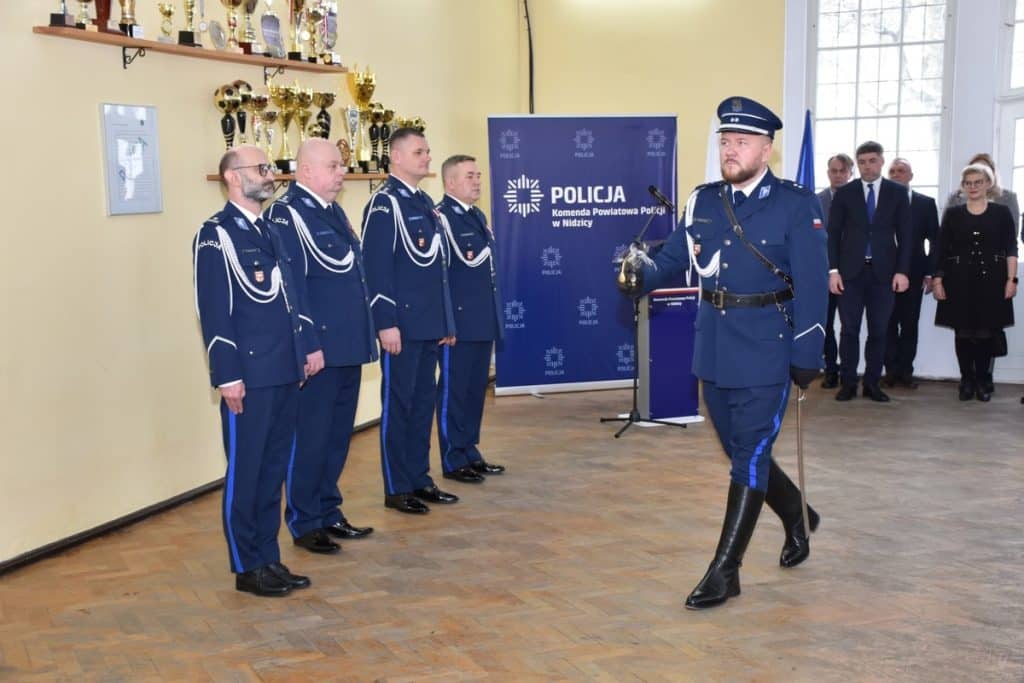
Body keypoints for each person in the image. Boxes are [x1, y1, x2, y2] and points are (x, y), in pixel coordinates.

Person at [619, 96, 828, 610]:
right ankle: (800, 515)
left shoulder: (795, 204)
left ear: (767, 149)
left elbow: (814, 283)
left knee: (751, 455)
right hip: (712, 345)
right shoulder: (703, 200)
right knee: (743, 453)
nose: (730, 150)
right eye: (725, 141)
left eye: (742, 141)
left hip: (768, 346)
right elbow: (672, 258)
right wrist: (639, 275)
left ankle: (724, 570)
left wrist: (809, 350)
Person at [192, 145, 324, 597]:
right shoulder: (217, 235)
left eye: (270, 168)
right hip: (248, 374)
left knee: (272, 470)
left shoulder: (272, 231)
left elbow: (294, 298)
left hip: (284, 369)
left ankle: (269, 556)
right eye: (261, 169)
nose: (270, 176)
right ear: (232, 177)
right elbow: (213, 310)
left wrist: (306, 347)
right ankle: (248, 566)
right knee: (246, 471)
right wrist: (227, 374)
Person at [266, 139, 378, 555]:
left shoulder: (331, 212)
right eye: (332, 165)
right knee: (310, 437)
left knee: (335, 437)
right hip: (320, 349)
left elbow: (354, 279)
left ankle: (329, 510)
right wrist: (308, 344)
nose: (341, 172)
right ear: (305, 170)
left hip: (347, 343)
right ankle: (304, 520)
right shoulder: (287, 214)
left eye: (341, 165)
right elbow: (292, 287)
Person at [361, 128, 460, 514]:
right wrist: (385, 322)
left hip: (428, 326)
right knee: (399, 405)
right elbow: (377, 267)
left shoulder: (422, 203)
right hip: (401, 327)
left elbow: (437, 270)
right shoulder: (385, 204)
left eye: (429, 151)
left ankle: (420, 477)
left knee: (422, 405)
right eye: (419, 152)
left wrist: (445, 320)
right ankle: (397, 486)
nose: (427, 157)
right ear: (396, 157)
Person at [434, 154, 506, 484]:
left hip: (481, 319)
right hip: (459, 323)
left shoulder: (475, 215)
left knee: (475, 389)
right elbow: (442, 277)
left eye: (478, 175)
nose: (477, 181)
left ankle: (469, 450)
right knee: (454, 391)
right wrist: (447, 321)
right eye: (469, 176)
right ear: (450, 183)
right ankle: (452, 457)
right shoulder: (441, 217)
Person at [827, 141, 911, 402]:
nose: (867, 166)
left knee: (879, 331)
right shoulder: (845, 193)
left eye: (872, 161)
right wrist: (833, 271)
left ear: (881, 161)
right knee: (849, 331)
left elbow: (906, 236)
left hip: (884, 275)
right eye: (862, 162)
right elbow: (833, 236)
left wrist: (902, 272)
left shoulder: (897, 192)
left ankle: (873, 383)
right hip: (850, 274)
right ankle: (848, 382)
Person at [932, 163, 1018, 401]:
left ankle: (982, 380)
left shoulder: (1001, 213)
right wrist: (938, 280)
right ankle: (966, 380)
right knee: (963, 333)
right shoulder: (953, 214)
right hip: (958, 280)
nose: (973, 187)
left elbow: (1011, 248)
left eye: (978, 182)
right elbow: (941, 249)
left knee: (986, 333)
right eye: (968, 182)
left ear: (988, 184)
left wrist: (1012, 279)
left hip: (993, 280)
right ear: (963, 186)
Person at [883, 158, 939, 389]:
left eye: (902, 170)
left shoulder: (925, 203)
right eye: (893, 171)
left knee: (909, 324)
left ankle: (906, 372)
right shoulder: (880, 203)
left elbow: (935, 241)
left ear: (911, 176)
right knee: (886, 324)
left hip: (914, 274)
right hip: (883, 274)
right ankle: (890, 372)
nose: (897, 174)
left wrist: (930, 273)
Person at [817, 153, 854, 388]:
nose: (838, 175)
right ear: (828, 173)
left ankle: (849, 373)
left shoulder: (859, 198)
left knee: (850, 326)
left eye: (842, 171)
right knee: (825, 324)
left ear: (851, 173)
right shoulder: (815, 200)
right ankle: (830, 369)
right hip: (822, 273)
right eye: (834, 170)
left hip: (853, 273)